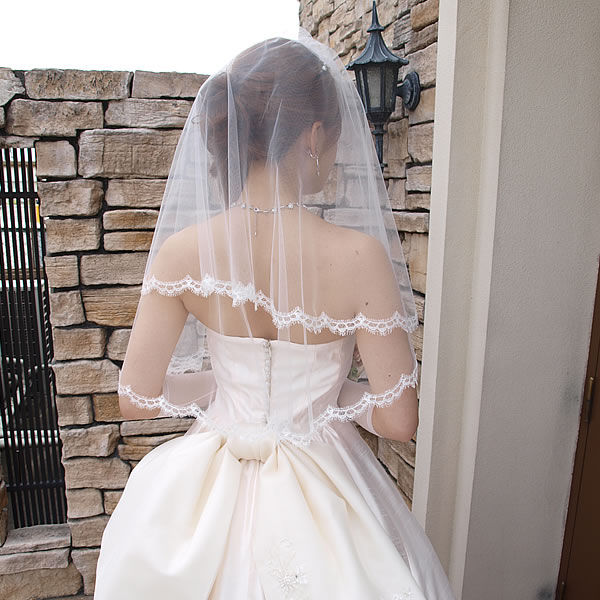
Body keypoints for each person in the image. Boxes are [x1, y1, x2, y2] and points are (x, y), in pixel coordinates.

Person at [94, 29, 456, 600]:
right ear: (313, 135)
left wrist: (227, 385)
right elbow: (397, 422)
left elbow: (136, 397)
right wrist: (326, 392)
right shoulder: (359, 257)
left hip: (207, 481)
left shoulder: (183, 253)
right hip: (322, 478)